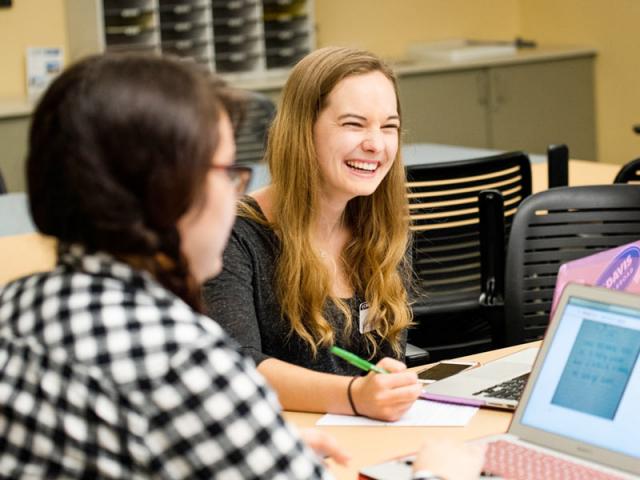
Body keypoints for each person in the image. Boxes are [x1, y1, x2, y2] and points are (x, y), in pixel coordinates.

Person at [0, 54, 485, 479]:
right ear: (167, 191)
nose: (236, 196)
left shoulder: (16, 308)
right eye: (226, 172)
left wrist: (249, 447)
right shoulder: (185, 360)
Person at [203, 46, 422, 421]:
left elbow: (388, 358)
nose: (376, 143)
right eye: (353, 124)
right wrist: (355, 396)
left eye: (389, 127)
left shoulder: (381, 227)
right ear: (303, 130)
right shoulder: (235, 235)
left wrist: (389, 387)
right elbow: (236, 367)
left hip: (371, 434)